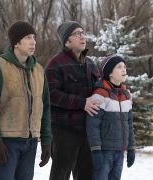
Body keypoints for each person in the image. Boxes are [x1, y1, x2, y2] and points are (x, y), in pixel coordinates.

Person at [0, 21, 51, 180]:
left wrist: (46, 140)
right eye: (28, 37)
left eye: (34, 37)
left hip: (31, 143)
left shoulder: (39, 71)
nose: (33, 41)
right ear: (16, 42)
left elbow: (45, 108)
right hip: (7, 144)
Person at [45, 21, 101, 180]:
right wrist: (82, 103)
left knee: (87, 175)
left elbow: (99, 88)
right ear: (67, 41)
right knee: (60, 175)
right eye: (77, 34)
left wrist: (118, 92)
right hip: (64, 132)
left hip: (88, 131)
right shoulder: (55, 63)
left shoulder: (90, 63)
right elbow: (51, 93)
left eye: (83, 33)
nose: (83, 36)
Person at [86, 55, 135, 180]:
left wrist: (131, 148)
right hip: (104, 151)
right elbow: (93, 125)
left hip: (120, 151)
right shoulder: (100, 94)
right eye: (119, 67)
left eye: (124, 66)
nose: (124, 69)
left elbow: (129, 124)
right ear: (110, 73)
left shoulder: (126, 95)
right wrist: (96, 150)